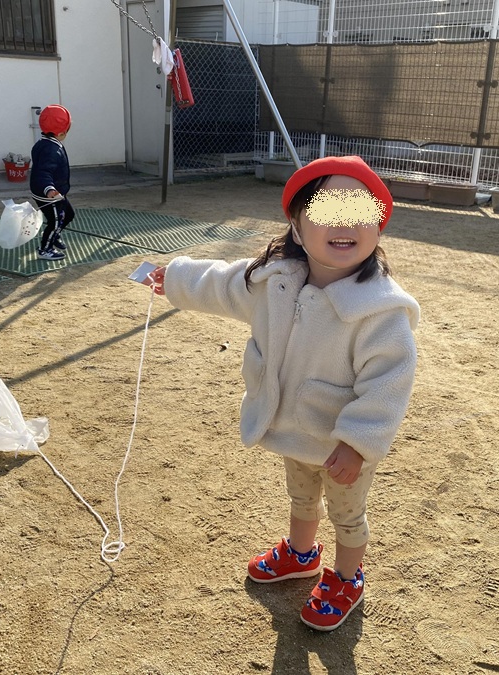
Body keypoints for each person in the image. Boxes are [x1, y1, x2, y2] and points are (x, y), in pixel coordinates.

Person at [148, 156, 420, 631]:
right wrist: (175, 277)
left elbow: (388, 383)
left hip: (342, 446)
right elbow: (222, 284)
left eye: (360, 212)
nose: (345, 224)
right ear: (296, 226)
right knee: (301, 496)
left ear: (378, 227)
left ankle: (347, 578)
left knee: (347, 514)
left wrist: (358, 442)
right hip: (294, 427)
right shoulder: (274, 281)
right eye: (328, 211)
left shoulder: (381, 311)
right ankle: (300, 553)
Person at [30, 104, 74, 261]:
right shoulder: (51, 150)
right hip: (49, 195)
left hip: (56, 192)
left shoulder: (44, 143)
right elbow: (43, 172)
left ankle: (54, 236)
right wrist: (49, 189)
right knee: (55, 222)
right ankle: (45, 249)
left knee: (68, 214)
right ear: (62, 133)